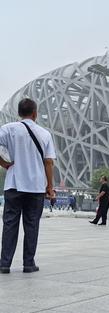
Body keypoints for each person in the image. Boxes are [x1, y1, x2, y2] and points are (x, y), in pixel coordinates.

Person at [0, 98, 56, 274]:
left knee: (10, 225)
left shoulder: (8, 129)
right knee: (31, 225)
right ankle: (28, 264)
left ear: (19, 113)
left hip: (13, 184)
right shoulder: (44, 133)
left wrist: (4, 163)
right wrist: (50, 187)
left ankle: (4, 264)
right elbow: (48, 162)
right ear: (35, 113)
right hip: (36, 187)